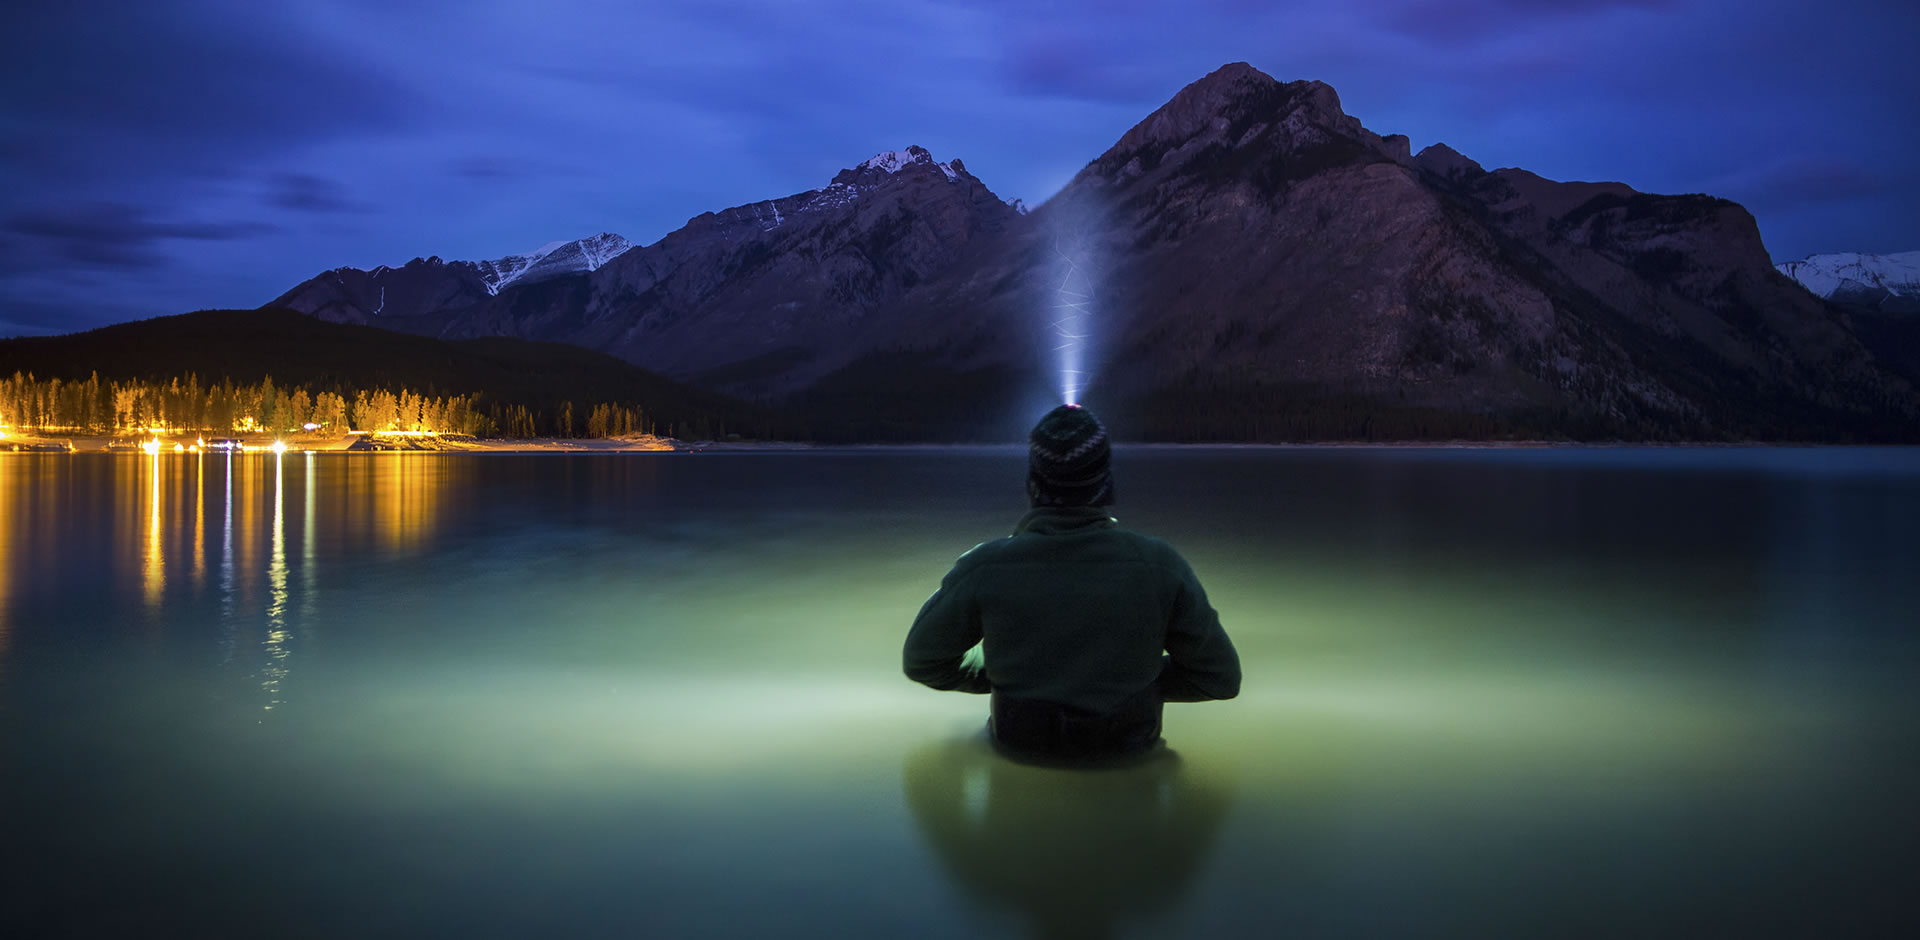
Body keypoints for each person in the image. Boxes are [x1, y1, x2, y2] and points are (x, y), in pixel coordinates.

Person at [903, 403, 1241, 765]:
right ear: (1106, 484)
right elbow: (1219, 678)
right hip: (1128, 752)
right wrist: (1141, 684)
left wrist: (1006, 676)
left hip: (1020, 752)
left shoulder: (984, 567)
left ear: (1032, 485)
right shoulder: (1160, 565)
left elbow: (923, 661)